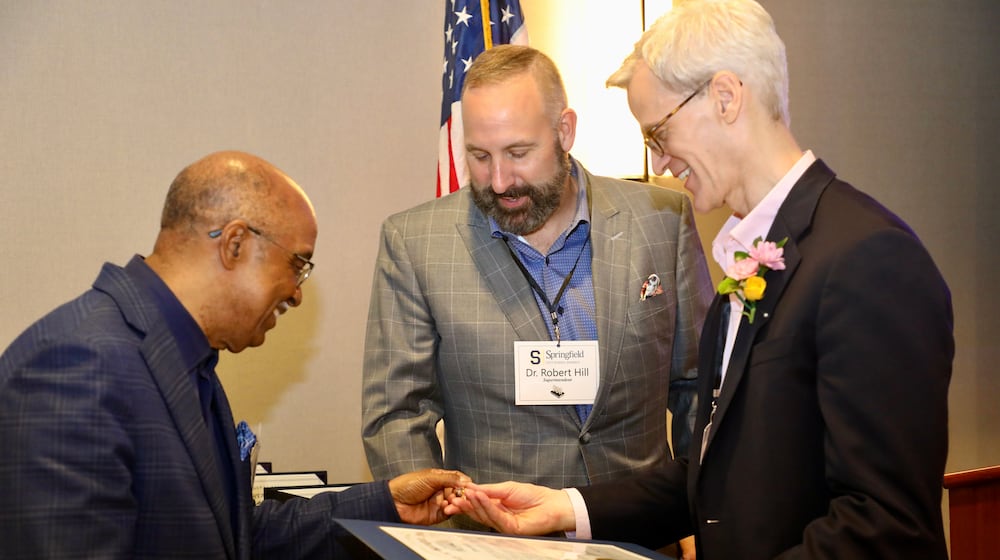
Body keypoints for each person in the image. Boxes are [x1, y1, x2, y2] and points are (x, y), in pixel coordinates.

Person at [445, 1, 954, 559]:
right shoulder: (750, 254)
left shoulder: (867, 258)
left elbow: (886, 525)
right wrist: (568, 507)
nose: (659, 163)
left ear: (726, 97)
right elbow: (717, 475)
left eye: (659, 132)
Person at [0, 151, 470, 559]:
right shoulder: (74, 367)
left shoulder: (187, 362)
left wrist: (386, 504)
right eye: (298, 264)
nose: (297, 293)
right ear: (235, 244)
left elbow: (240, 538)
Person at [361, 43, 712, 547]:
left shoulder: (661, 221)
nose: (500, 180)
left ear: (564, 131)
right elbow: (397, 412)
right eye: (480, 156)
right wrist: (437, 535)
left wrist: (705, 519)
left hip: (638, 538)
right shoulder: (415, 244)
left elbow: (697, 390)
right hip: (491, 546)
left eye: (519, 153)